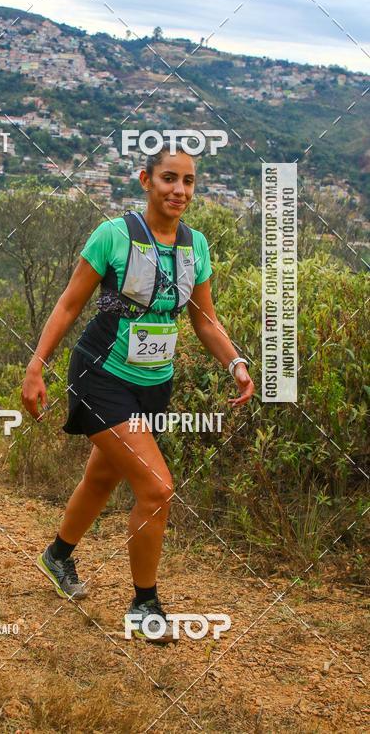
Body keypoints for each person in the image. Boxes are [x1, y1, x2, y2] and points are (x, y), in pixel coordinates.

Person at [21, 146, 254, 643]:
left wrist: (234, 361)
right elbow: (68, 306)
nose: (180, 191)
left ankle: (56, 556)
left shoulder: (196, 246)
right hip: (101, 374)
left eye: (189, 182)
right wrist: (36, 367)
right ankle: (144, 604)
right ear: (146, 179)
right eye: (169, 179)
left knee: (103, 478)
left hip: (154, 383)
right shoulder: (114, 235)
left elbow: (203, 320)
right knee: (156, 488)